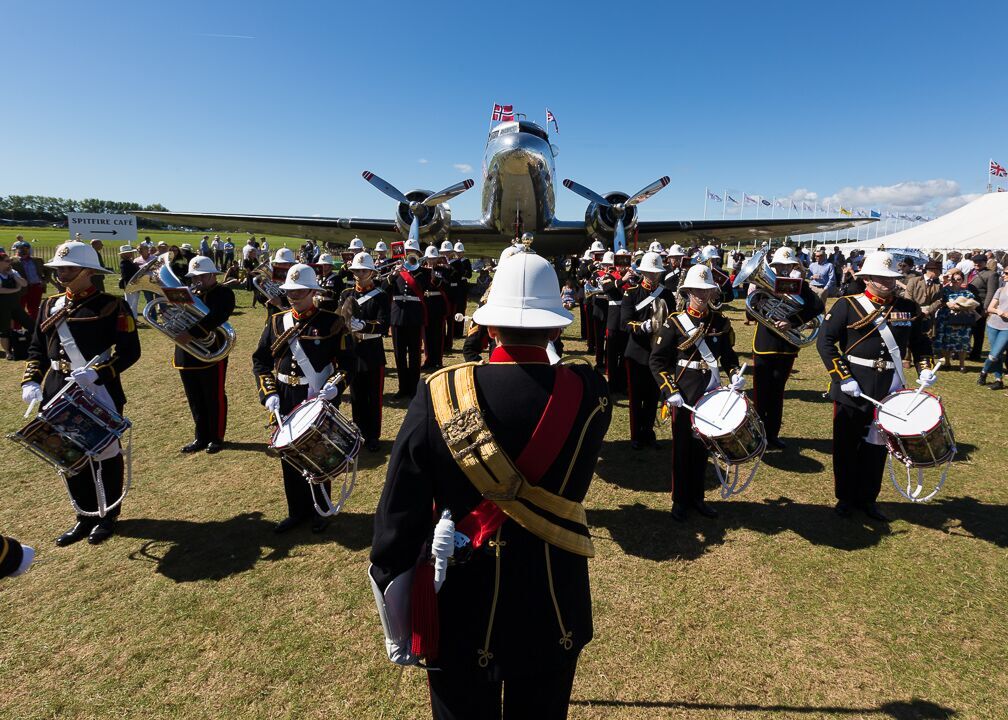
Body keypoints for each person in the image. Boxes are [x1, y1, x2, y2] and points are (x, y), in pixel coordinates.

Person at [369, 249, 611, 720]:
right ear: (556, 329)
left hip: (459, 600)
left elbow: (399, 509)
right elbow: (566, 374)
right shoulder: (590, 393)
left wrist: (394, 583)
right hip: (553, 602)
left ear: (490, 326)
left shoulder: (440, 392)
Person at [21, 241, 141, 545]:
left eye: (69, 268)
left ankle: (108, 514)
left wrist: (99, 373)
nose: (61, 273)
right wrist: (31, 380)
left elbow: (130, 351)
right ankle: (84, 515)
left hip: (97, 388)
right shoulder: (49, 305)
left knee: (105, 453)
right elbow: (36, 348)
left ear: (88, 271)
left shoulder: (112, 305)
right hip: (57, 386)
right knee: (68, 453)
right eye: (59, 268)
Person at [816, 251, 936, 522]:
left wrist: (925, 368)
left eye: (891, 277)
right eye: (881, 277)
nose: (887, 282)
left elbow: (920, 343)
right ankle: (845, 497)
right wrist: (843, 377)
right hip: (853, 383)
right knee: (846, 444)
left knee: (878, 445)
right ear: (867, 278)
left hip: (889, 386)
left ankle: (868, 498)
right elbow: (825, 343)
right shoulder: (847, 305)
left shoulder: (908, 308)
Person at [252, 264, 354, 533]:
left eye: (299, 292)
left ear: (312, 292)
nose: (294, 296)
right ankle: (296, 511)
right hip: (285, 396)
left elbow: (349, 364)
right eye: (290, 292)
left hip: (316, 394)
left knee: (318, 454)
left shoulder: (332, 323)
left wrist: (334, 387)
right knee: (289, 455)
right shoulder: (276, 322)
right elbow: (260, 362)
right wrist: (269, 394)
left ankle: (320, 510)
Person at [650, 264, 745, 522]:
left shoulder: (720, 322)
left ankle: (697, 498)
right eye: (696, 291)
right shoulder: (675, 322)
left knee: (704, 448)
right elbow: (657, 361)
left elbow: (728, 355)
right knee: (682, 450)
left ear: (713, 292)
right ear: (687, 292)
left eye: (706, 291)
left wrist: (734, 374)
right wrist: (669, 390)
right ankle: (680, 500)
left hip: (710, 394)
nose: (701, 296)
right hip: (684, 395)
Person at [750, 246, 824, 450]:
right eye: (779, 266)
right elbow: (749, 313)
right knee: (760, 393)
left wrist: (792, 321)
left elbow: (818, 307)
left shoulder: (800, 286)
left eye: (787, 265)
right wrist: (758, 302)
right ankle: (756, 435)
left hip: (787, 346)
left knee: (777, 392)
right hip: (765, 344)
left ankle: (772, 434)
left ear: (793, 266)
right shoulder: (763, 286)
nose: (783, 269)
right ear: (774, 266)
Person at [175, 256, 236, 454]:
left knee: (213, 396)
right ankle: (200, 437)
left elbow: (218, 316)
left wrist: (192, 333)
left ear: (212, 275)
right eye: (194, 277)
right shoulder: (188, 293)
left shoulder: (224, 293)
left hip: (212, 351)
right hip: (186, 353)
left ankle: (216, 437)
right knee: (194, 398)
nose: (197, 280)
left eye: (201, 276)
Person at [621, 251, 676, 449]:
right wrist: (643, 326)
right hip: (637, 352)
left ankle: (648, 433)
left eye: (656, 273)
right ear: (642, 272)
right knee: (636, 397)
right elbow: (625, 322)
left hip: (658, 353)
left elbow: (672, 320)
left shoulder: (666, 294)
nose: (653, 276)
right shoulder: (631, 293)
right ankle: (636, 434)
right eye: (649, 272)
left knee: (653, 396)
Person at [341, 252, 390, 451]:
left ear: (372, 272)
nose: (360, 274)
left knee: (373, 397)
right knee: (356, 396)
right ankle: (358, 433)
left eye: (364, 271)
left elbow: (383, 324)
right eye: (356, 271)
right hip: (353, 352)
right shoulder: (346, 294)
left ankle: (373, 436)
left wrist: (364, 325)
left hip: (372, 351)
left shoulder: (381, 295)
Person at [386, 238, 428, 398]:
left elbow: (424, 285)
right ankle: (403, 388)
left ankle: (414, 388)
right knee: (399, 354)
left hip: (414, 317)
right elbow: (384, 289)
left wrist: (412, 271)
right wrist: (393, 275)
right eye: (408, 252)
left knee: (415, 354)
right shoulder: (396, 270)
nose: (410, 255)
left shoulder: (423, 272)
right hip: (397, 317)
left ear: (418, 254)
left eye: (413, 252)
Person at [933, 269, 978, 372]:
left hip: (962, 319)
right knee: (946, 340)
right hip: (946, 318)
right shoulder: (945, 290)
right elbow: (938, 300)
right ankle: (947, 362)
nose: (956, 281)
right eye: (953, 279)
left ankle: (962, 364)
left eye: (958, 279)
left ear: (962, 280)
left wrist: (961, 306)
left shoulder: (967, 292)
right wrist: (947, 304)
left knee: (963, 341)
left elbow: (973, 305)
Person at [978, 267, 1008, 390]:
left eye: (1006, 273)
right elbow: (990, 308)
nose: (1004, 275)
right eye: (1004, 273)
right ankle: (998, 380)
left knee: (994, 354)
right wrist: (998, 311)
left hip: (1006, 328)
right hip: (993, 325)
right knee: (997, 354)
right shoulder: (1000, 290)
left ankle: (983, 372)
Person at [422, 246, 450, 371]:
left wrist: (435, 277)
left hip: (438, 304)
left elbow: (446, 285)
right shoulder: (421, 270)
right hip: (426, 304)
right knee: (426, 334)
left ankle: (438, 360)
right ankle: (428, 360)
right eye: (429, 258)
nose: (431, 261)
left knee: (438, 334)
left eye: (434, 258)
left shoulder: (443, 270)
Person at [0, 252, 31, 360]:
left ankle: (32, 347)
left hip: (15, 305)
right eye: (7, 261)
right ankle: (8, 352)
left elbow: (24, 283)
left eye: (10, 260)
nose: (10, 263)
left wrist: (12, 275)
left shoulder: (12, 272)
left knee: (30, 324)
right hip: (2, 307)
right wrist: (16, 289)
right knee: (4, 330)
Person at [968, 257, 999, 361]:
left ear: (985, 263)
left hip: (980, 307)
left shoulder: (991, 274)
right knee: (967, 329)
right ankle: (963, 351)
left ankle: (975, 354)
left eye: (979, 262)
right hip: (968, 306)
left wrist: (985, 308)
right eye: (975, 262)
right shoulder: (970, 272)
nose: (977, 264)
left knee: (978, 332)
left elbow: (991, 292)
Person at [904, 261, 945, 337]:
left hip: (928, 317)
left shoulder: (938, 285)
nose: (940, 273)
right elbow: (908, 298)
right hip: (914, 316)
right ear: (933, 270)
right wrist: (918, 310)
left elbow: (940, 300)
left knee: (927, 338)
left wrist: (928, 310)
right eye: (939, 270)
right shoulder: (914, 281)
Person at [11, 240, 48, 320]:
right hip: (20, 289)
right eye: (21, 249)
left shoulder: (38, 260)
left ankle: (34, 325)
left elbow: (47, 270)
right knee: (19, 309)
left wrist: (44, 280)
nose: (23, 250)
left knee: (34, 309)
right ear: (17, 250)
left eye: (26, 248)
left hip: (36, 287)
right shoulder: (12, 261)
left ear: (29, 249)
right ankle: (18, 326)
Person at [118, 245, 141, 316]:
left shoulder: (129, 262)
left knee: (134, 303)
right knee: (131, 303)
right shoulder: (124, 263)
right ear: (124, 254)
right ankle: (131, 318)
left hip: (133, 285)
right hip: (130, 285)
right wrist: (131, 286)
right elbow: (126, 276)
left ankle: (133, 317)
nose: (131, 253)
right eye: (129, 252)